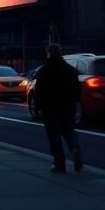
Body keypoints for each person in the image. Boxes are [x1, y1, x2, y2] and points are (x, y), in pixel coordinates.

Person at [35, 43, 83, 173]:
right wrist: (76, 103)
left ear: (49, 53)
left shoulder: (44, 70)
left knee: (54, 137)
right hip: (67, 106)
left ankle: (59, 164)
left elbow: (38, 91)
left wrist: (38, 107)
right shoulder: (69, 69)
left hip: (50, 107)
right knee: (69, 130)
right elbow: (76, 89)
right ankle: (75, 148)